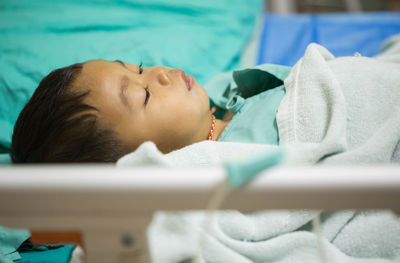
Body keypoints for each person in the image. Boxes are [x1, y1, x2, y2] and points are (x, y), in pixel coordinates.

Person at [11, 60, 288, 163]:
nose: (161, 74)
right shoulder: (245, 160)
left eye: (140, 68)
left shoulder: (224, 92)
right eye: (144, 95)